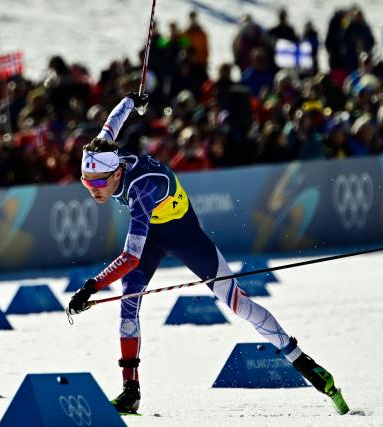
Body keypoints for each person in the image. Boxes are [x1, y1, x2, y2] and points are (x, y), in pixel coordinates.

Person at [66, 92, 349, 415]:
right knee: (129, 300)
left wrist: (91, 286)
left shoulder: (141, 188)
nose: (94, 190)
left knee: (238, 303)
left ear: (117, 173)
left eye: (99, 183)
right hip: (153, 236)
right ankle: (130, 390)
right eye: (87, 184)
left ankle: (301, 360)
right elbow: (111, 123)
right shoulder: (102, 152)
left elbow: (130, 257)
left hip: (185, 236)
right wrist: (132, 101)